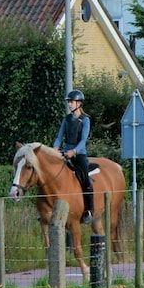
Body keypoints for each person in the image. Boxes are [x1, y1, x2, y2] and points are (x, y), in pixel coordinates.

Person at [55, 88, 94, 220]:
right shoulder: (66, 119)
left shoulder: (85, 120)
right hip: (66, 152)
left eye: (71, 102)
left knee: (86, 179)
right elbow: (59, 137)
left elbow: (84, 140)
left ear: (79, 103)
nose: (69, 104)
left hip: (79, 153)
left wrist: (75, 151)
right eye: (69, 102)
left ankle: (89, 210)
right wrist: (55, 148)